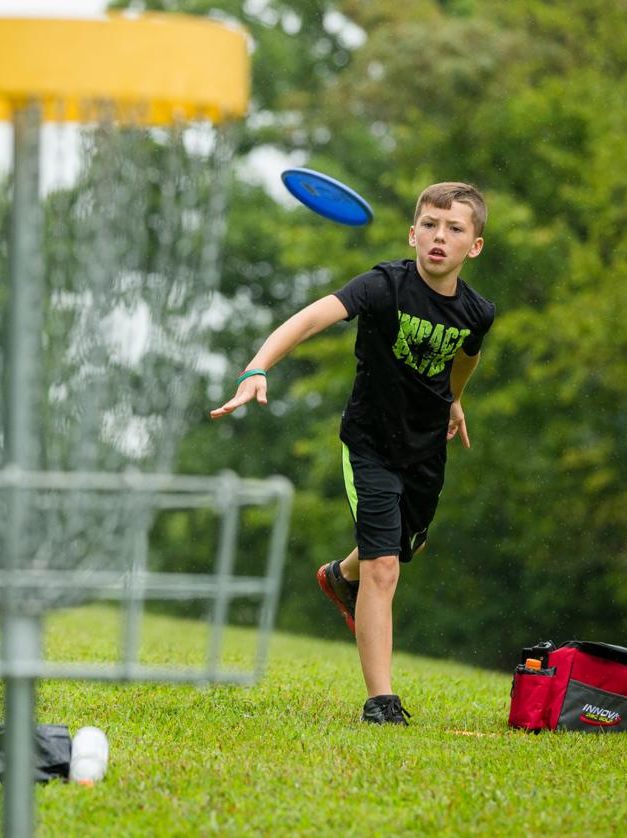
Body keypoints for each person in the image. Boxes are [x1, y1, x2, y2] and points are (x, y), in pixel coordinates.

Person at [211, 182, 495, 725]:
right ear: (413, 234)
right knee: (385, 568)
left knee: (401, 549)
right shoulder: (383, 285)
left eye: (454, 228)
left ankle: (341, 577)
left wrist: (456, 400)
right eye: (430, 226)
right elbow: (309, 318)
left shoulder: (478, 311)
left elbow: (467, 357)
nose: (440, 237)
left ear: (474, 246)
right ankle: (380, 701)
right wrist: (256, 367)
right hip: (369, 444)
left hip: (426, 449)